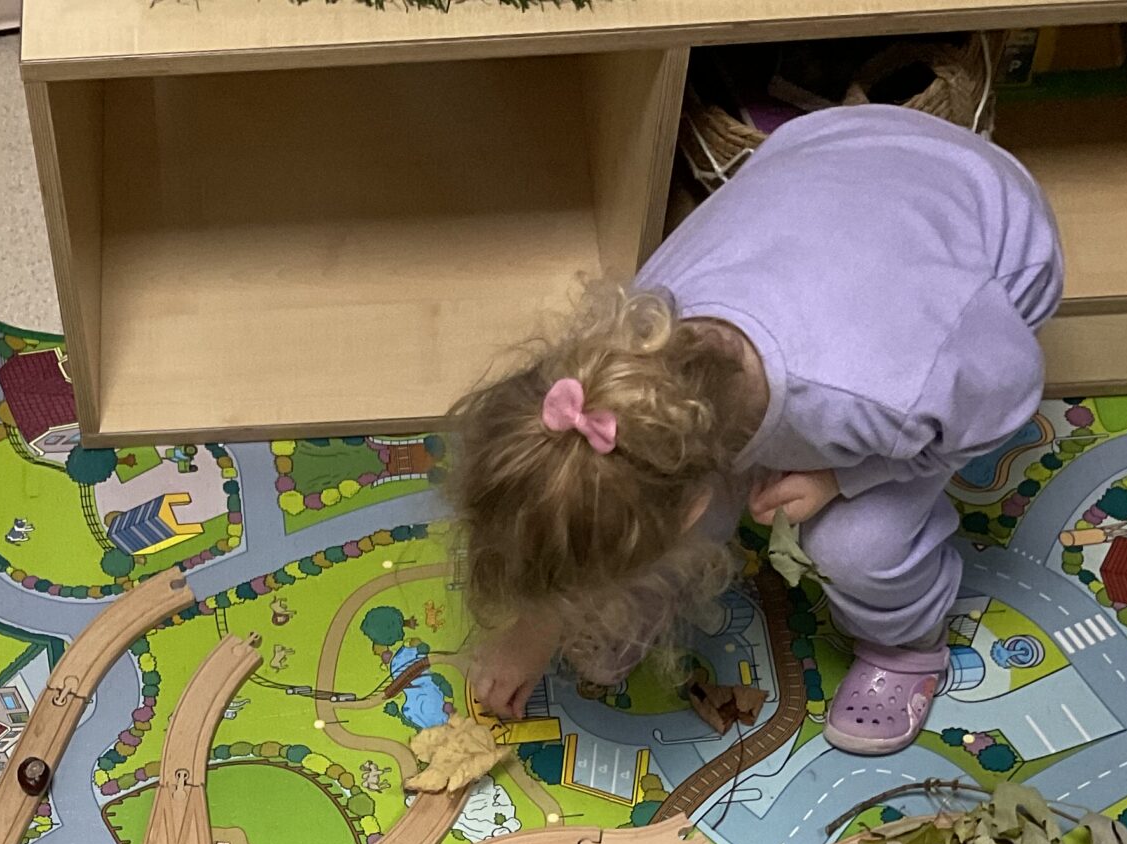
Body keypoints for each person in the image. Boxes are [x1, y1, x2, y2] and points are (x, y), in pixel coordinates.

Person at [454, 106, 1063, 755]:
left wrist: (843, 475)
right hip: (837, 152)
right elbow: (573, 490)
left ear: (695, 508)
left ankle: (908, 646)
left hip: (995, 230)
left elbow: (1008, 387)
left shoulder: (879, 393)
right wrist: (535, 624)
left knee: (857, 547)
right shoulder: (627, 362)